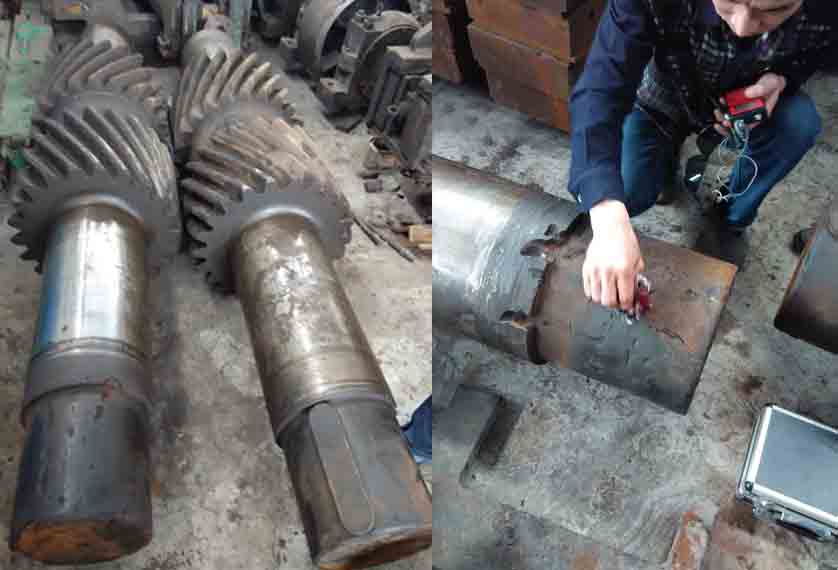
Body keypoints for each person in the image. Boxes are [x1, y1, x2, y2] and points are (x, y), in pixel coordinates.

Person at [568, 0, 837, 312]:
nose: (742, 27)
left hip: (744, 98)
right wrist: (606, 214)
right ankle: (662, 162)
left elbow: (818, 53)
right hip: (663, 94)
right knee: (624, 190)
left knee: (799, 124)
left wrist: (783, 78)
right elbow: (600, 91)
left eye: (773, 11)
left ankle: (729, 215)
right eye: (730, 1)